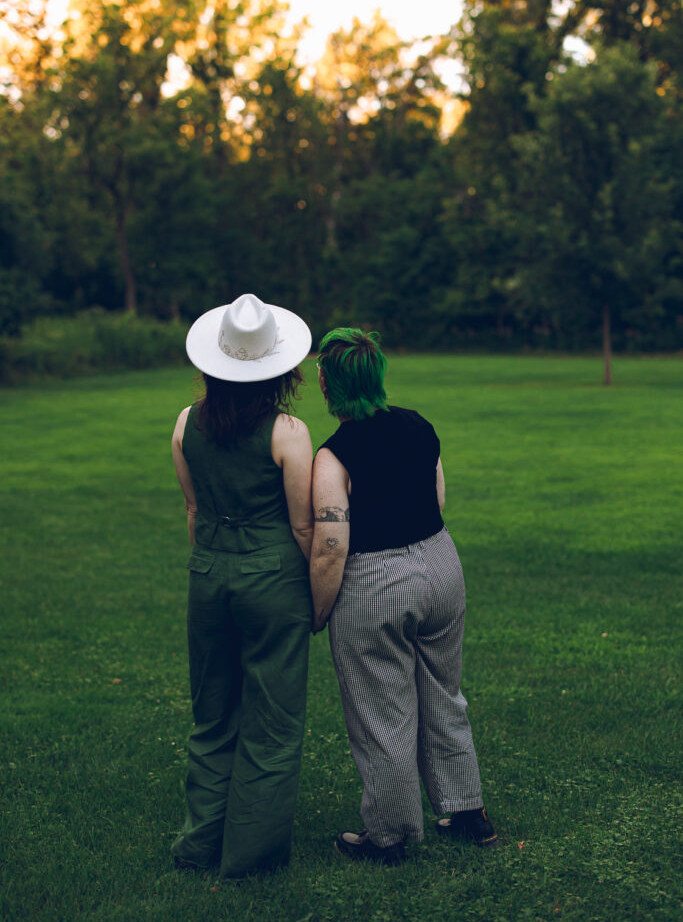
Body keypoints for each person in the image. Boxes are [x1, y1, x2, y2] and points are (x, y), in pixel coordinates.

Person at [309, 327, 497, 865]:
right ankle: (467, 814)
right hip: (441, 566)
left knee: (380, 710)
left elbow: (329, 547)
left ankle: (390, 836)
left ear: (326, 385)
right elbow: (437, 497)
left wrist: (319, 611)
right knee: (444, 693)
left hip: (375, 584)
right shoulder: (419, 426)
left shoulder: (333, 456)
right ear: (379, 375)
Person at [170, 293, 314, 880]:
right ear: (278, 366)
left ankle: (197, 845)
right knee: (272, 722)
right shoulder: (289, 431)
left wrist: (213, 565)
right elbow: (304, 523)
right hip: (273, 577)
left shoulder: (184, 421)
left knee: (212, 714)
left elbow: (192, 508)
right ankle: (249, 861)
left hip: (208, 574)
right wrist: (315, 594)